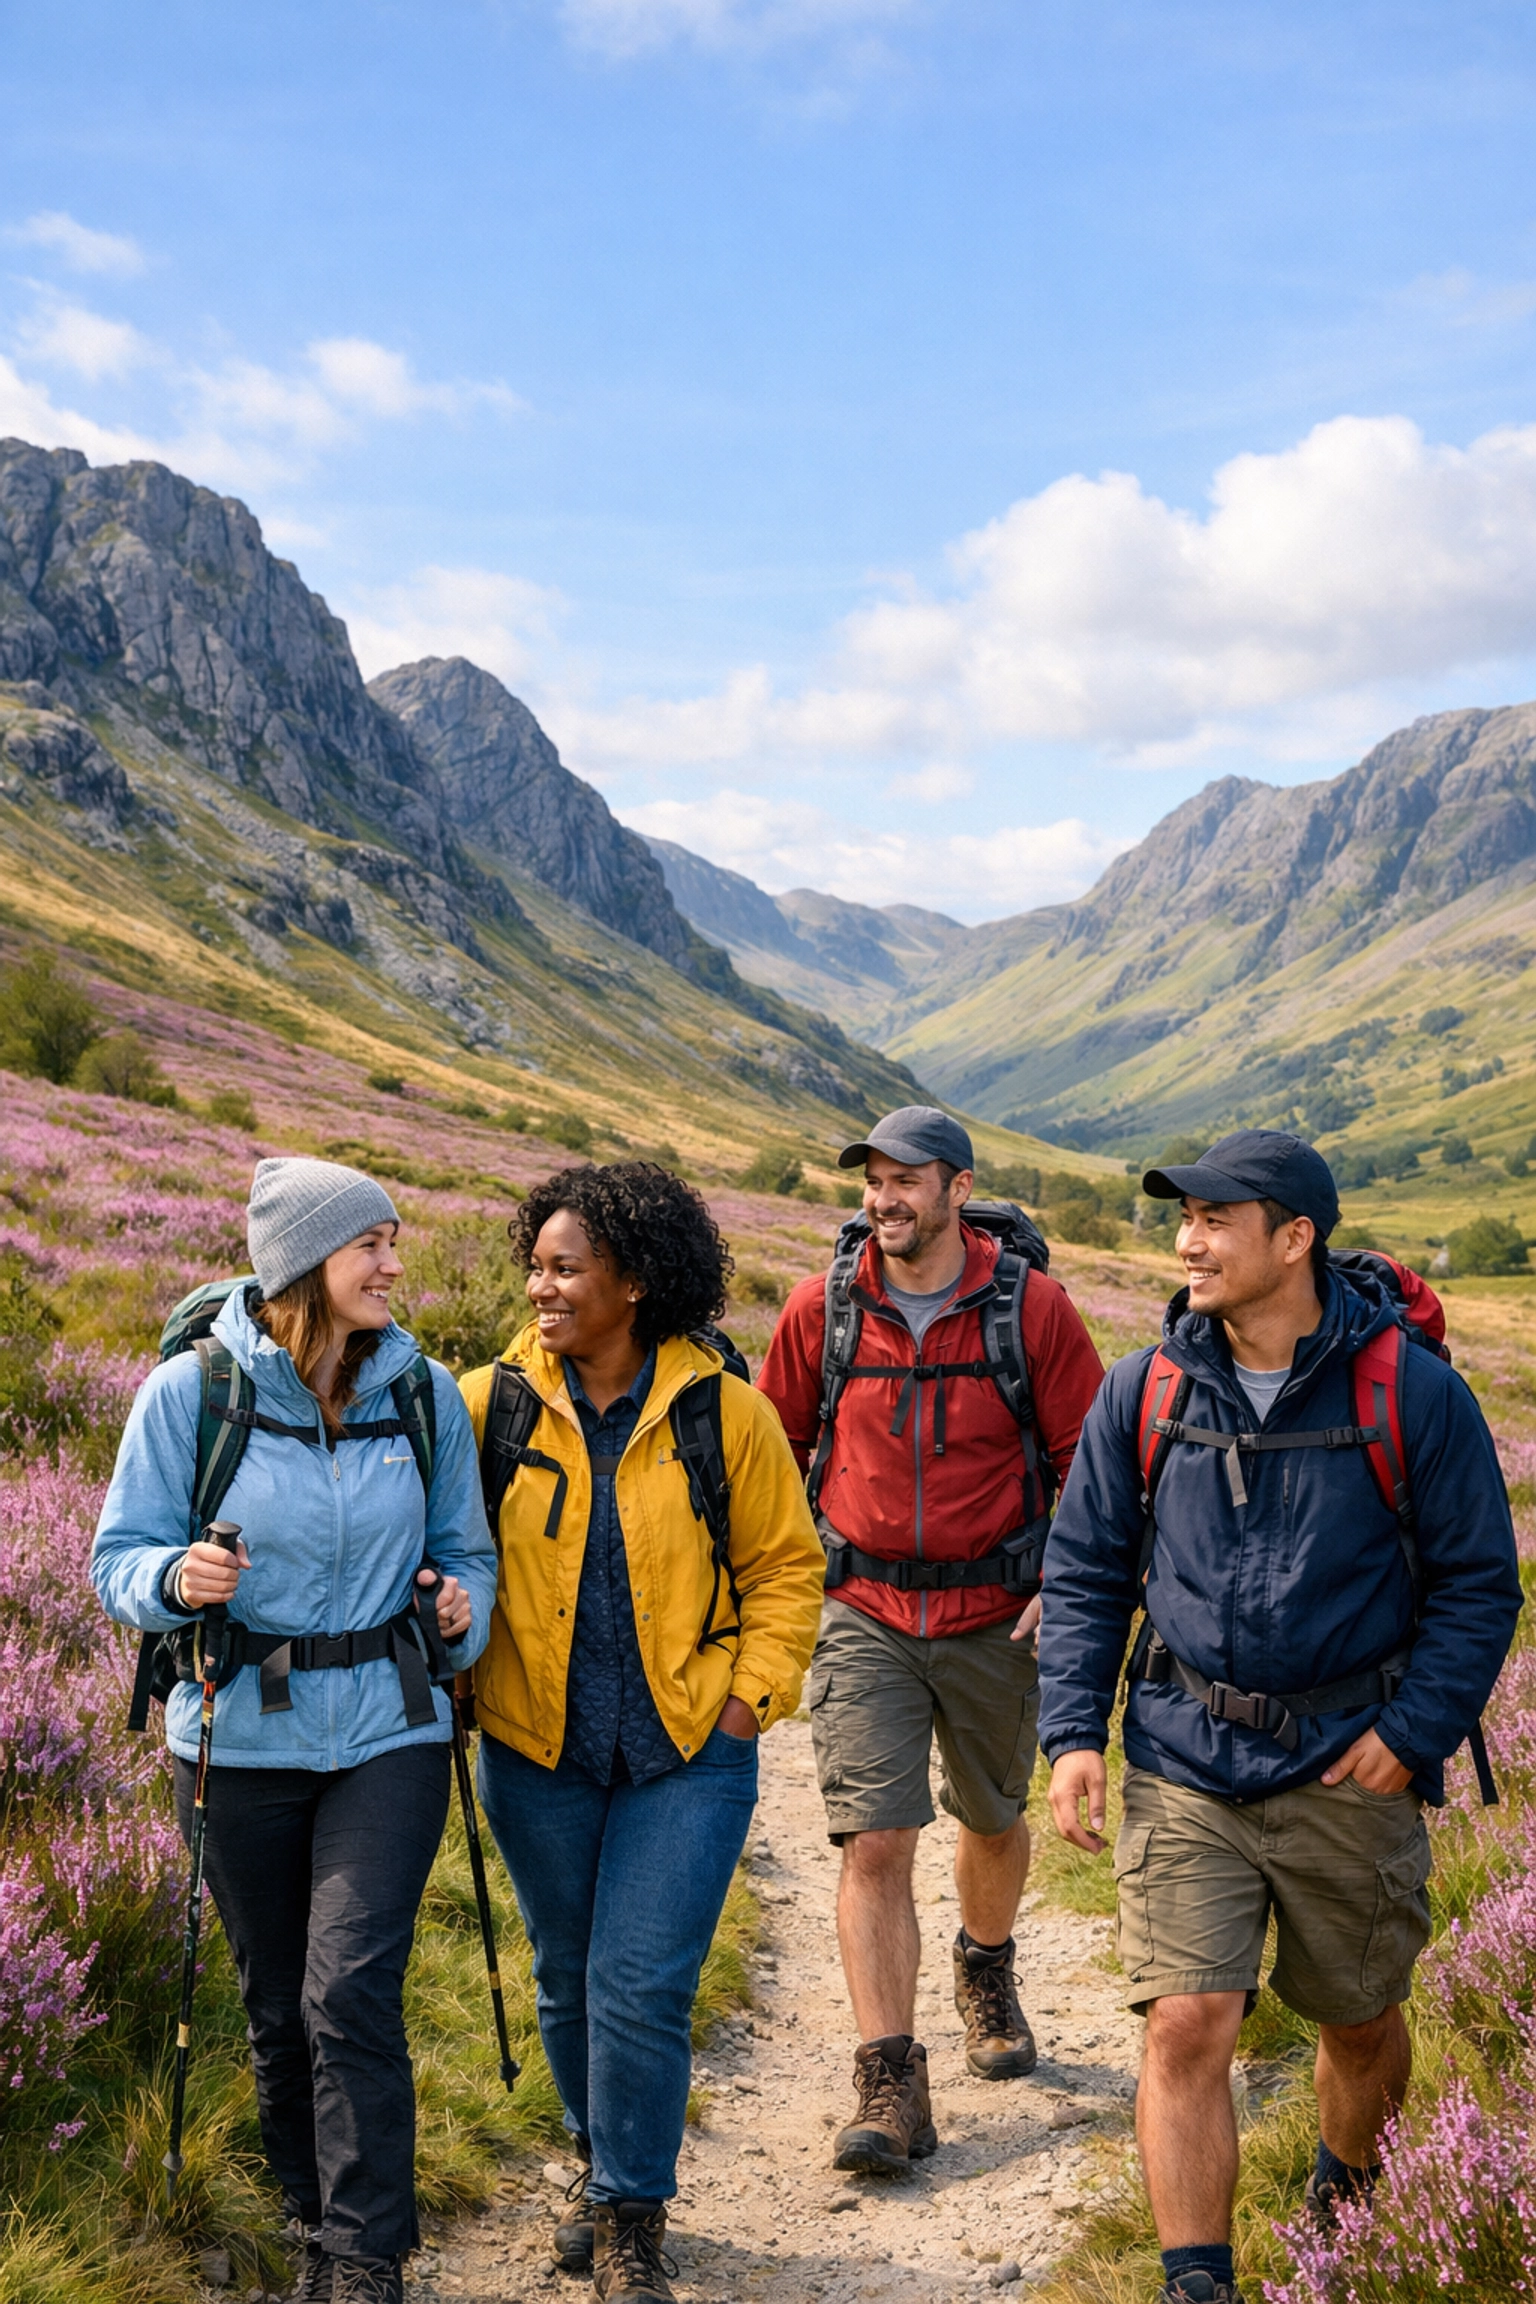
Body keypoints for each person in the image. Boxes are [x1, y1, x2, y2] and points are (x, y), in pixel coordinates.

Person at [1039, 1129, 1523, 2304]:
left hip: (1346, 1765)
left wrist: (1411, 1735)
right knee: (1187, 2023)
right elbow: (1090, 1567)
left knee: (1359, 2025)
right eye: (1182, 1218)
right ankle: (1195, 2281)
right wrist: (1069, 1737)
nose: (1185, 1242)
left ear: (1294, 1239)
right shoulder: (1144, 1387)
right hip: (1182, 1754)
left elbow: (1479, 1584)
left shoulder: (1413, 1393)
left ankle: (1346, 2193)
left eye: (1214, 1220)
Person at [93, 1158, 498, 2304]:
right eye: (369, 1243)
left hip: (391, 1733)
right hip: (235, 1735)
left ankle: (369, 2258)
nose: (393, 1264)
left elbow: (468, 1554)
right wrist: (181, 1575)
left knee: (350, 1988)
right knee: (276, 2003)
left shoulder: (417, 1393)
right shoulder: (192, 1397)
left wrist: (463, 1616)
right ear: (301, 1265)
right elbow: (115, 1560)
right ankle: (308, 2211)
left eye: (394, 1240)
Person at [460, 1161, 823, 2304]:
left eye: (567, 1269)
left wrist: (741, 1705)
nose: (541, 1290)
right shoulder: (486, 1406)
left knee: (638, 1982)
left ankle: (631, 2218)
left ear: (635, 1283)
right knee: (566, 1979)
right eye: (537, 1267)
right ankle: (598, 2162)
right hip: (533, 1750)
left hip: (688, 1756)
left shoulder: (729, 1413)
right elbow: (443, 1556)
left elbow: (788, 1574)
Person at [757, 1106, 1105, 2173]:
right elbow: (772, 1443)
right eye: (872, 1180)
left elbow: (1091, 1460)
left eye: (906, 1180)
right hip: (861, 1611)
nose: (883, 1199)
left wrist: (1065, 1580)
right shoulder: (823, 1306)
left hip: (997, 1615)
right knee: (876, 1839)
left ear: (958, 1188)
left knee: (993, 1816)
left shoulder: (1031, 1311)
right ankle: (888, 2079)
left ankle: (985, 1961)